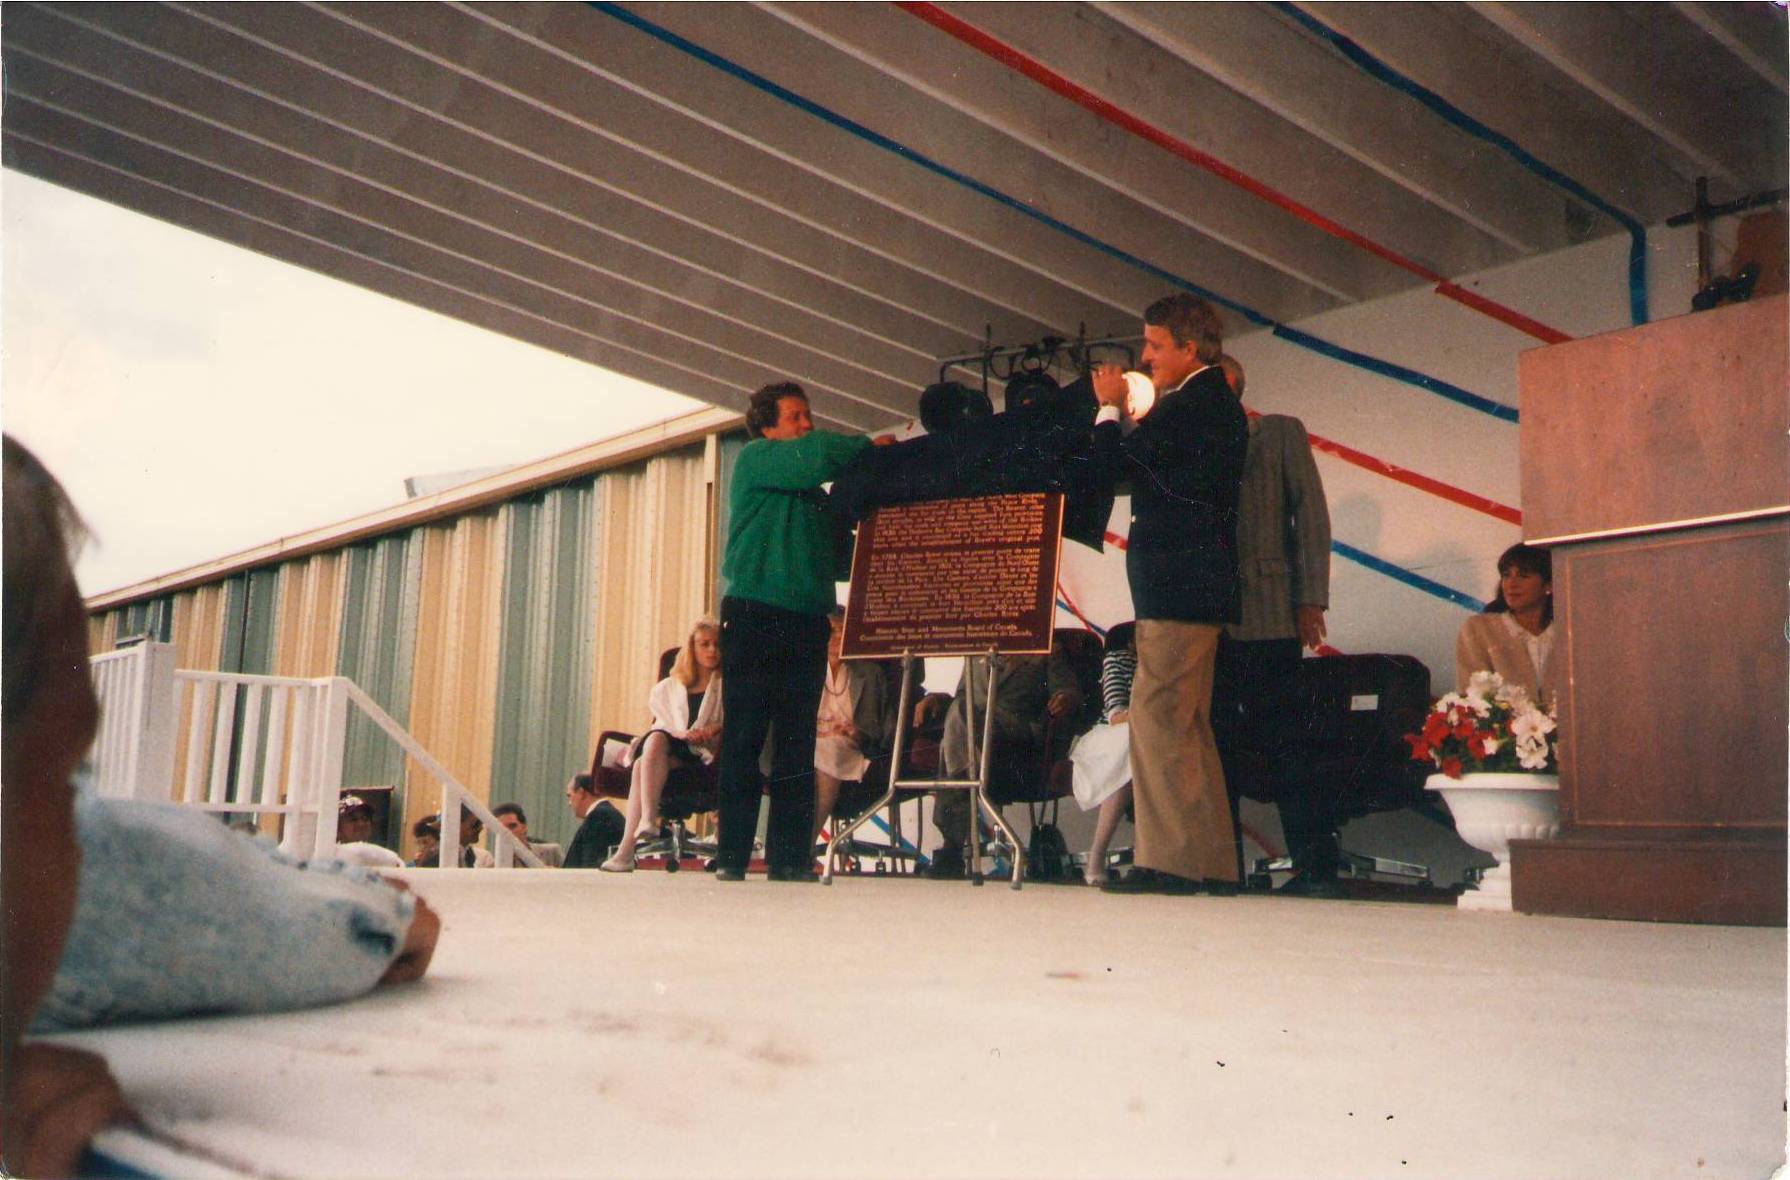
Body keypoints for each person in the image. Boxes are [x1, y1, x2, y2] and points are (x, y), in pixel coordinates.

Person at [0, 436, 438, 1177]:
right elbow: (377, 929)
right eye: (68, 773)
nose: (77, 826)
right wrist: (378, 916)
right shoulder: (115, 900)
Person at [1089, 293, 1249, 895]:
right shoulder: (1206, 403)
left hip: (1178, 587)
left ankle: (1170, 864)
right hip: (1196, 587)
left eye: (1156, 346)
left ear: (1190, 347)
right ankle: (1209, 863)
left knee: (1157, 720)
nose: (1146, 356)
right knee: (1186, 725)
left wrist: (1109, 410)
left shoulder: (1192, 405)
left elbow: (1118, 464)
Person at [713, 381, 879, 882]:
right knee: (744, 737)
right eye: (795, 417)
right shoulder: (757, 459)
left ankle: (788, 859)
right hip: (754, 615)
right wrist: (871, 449)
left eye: (808, 416)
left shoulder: (811, 498)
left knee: (795, 740)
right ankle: (732, 858)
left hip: (806, 620)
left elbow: (837, 558)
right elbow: (826, 452)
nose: (806, 425)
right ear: (767, 426)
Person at [1209, 353, 1340, 897]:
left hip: (1271, 614)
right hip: (1206, 622)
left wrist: (1310, 599)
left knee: (1290, 745)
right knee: (1216, 750)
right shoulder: (1186, 442)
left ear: (1236, 387)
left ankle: (1316, 866)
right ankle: (1221, 869)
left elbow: (1310, 515)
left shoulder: (1280, 433)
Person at [928, 648, 1081, 879]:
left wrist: (1065, 698)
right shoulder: (975, 652)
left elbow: (1069, 689)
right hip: (973, 729)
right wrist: (934, 698)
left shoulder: (1044, 650)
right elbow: (961, 694)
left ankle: (952, 842)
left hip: (1017, 734)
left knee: (957, 722)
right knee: (959, 712)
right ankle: (967, 771)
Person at [601, 617, 724, 872]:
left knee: (640, 767)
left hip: (708, 753)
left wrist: (711, 730)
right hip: (673, 746)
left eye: (717, 644)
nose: (712, 650)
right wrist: (682, 734)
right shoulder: (669, 687)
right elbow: (663, 723)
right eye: (705, 644)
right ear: (693, 648)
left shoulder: (727, 685)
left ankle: (627, 850)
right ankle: (646, 821)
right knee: (656, 738)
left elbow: (732, 720)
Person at [809, 608, 898, 858]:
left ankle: (804, 845)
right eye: (830, 631)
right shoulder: (806, 670)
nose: (836, 637)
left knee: (830, 750)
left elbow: (883, 731)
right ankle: (794, 844)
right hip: (811, 742)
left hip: (850, 747)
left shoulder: (870, 674)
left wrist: (854, 732)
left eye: (842, 630)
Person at [1070, 623, 1138, 886]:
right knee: (1128, 753)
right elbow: (1115, 713)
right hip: (1111, 733)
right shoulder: (1117, 660)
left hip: (1149, 735)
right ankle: (1097, 853)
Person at [1456, 542, 1557, 708]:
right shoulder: (1478, 629)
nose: (1511, 584)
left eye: (1523, 576)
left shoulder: (1571, 630)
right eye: (1506, 575)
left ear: (1548, 585)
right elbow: (1472, 699)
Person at [562, 773, 628, 869]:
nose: (569, 803)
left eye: (570, 796)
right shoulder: (606, 813)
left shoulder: (600, 816)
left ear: (581, 793)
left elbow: (591, 863)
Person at [335, 793, 405, 869]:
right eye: (353, 820)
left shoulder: (380, 858)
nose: (361, 824)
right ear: (338, 828)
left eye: (365, 819)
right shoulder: (329, 854)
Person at [491, 802, 564, 868]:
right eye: (501, 829)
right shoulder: (494, 866)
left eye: (512, 826)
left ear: (524, 827)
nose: (508, 833)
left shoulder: (552, 853)